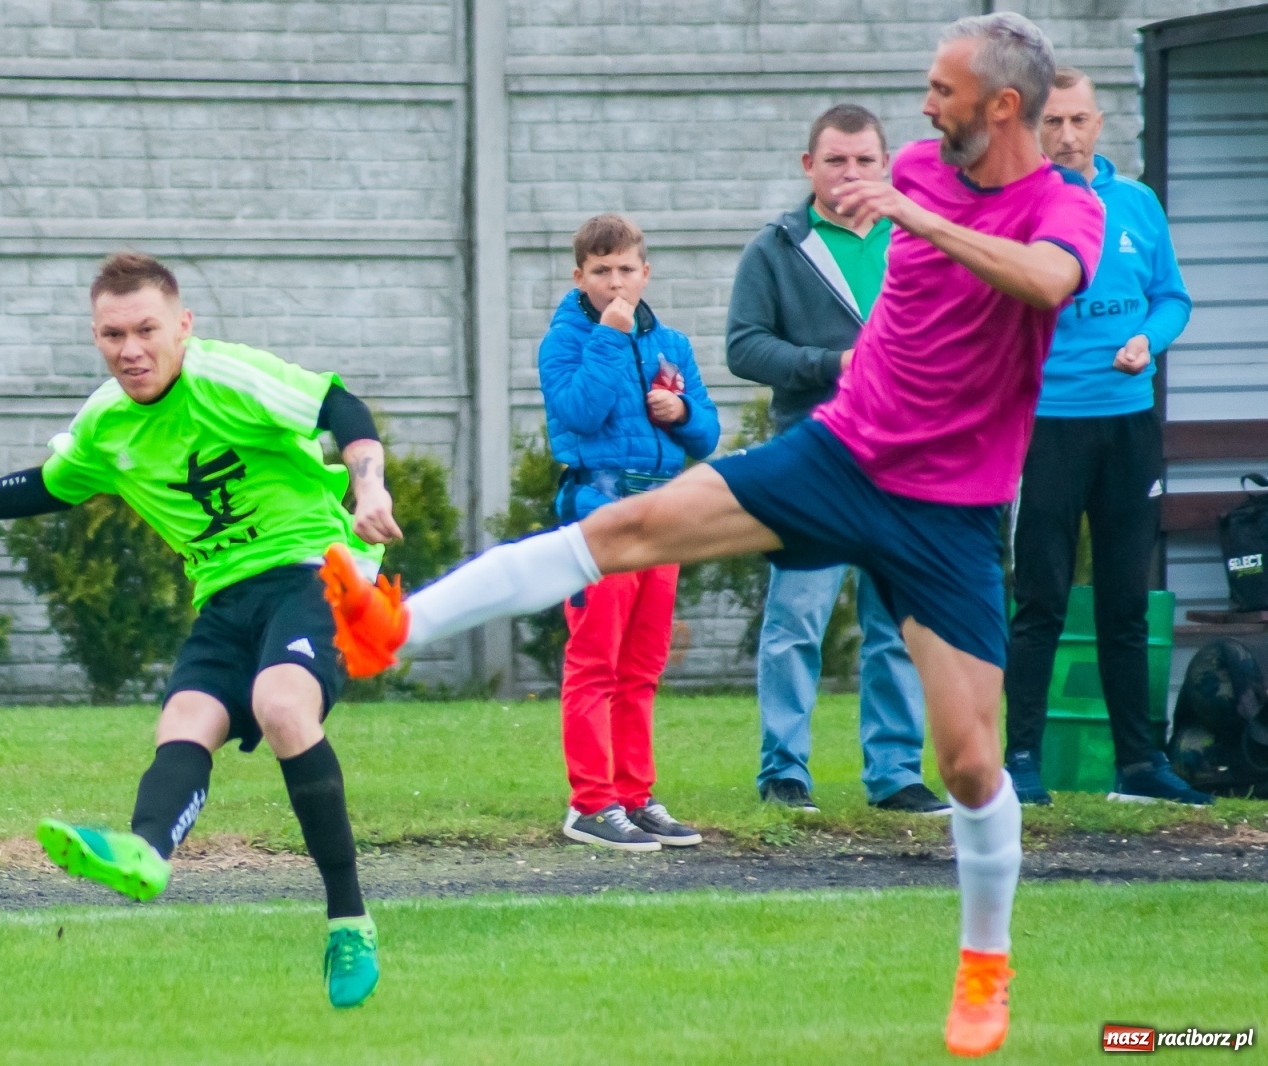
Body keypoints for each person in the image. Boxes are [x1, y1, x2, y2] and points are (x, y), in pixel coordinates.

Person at [320, 14, 1102, 1056]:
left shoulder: (1059, 205)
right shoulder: (917, 166)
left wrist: (912, 214)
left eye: (943, 91)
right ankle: (391, 627)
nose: (924, 107)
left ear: (1002, 106)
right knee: (627, 525)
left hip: (949, 510)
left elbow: (1045, 280)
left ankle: (984, 959)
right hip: (840, 453)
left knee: (966, 763)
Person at [0, 252, 401, 1010]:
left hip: (318, 570)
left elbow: (339, 406)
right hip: (224, 596)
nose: (130, 349)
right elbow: (44, 486)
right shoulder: (106, 422)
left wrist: (369, 486)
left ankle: (349, 920)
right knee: (184, 720)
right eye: (112, 334)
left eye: (146, 330)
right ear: (96, 336)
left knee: (281, 705)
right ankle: (147, 852)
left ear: (182, 325)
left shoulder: (226, 378)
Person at [726, 104, 943, 817]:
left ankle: (896, 773)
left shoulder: (919, 239)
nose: (850, 173)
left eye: (864, 160)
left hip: (907, 459)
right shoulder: (776, 249)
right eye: (835, 160)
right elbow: (744, 347)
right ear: (808, 166)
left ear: (887, 165)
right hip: (814, 458)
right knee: (796, 622)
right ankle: (784, 772)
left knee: (897, 624)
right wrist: (833, 363)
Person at [1003, 68, 1207, 808]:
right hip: (1047, 426)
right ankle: (1020, 759)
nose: (1066, 136)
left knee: (1126, 600)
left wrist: (1148, 341)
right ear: (1034, 129)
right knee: (1041, 597)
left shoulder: (1137, 204)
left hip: (1128, 426)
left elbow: (1172, 298)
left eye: (1078, 120)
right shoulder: (1018, 209)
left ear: (1099, 123)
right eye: (1053, 122)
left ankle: (1139, 765)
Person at [541, 213, 721, 851]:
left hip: (661, 518)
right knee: (596, 661)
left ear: (646, 272)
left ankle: (635, 795)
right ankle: (591, 803)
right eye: (601, 271)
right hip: (599, 513)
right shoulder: (565, 342)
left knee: (642, 665)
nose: (615, 283)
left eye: (625, 269)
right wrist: (610, 338)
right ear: (579, 277)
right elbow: (579, 413)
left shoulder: (670, 342)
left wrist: (684, 410)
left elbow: (707, 435)